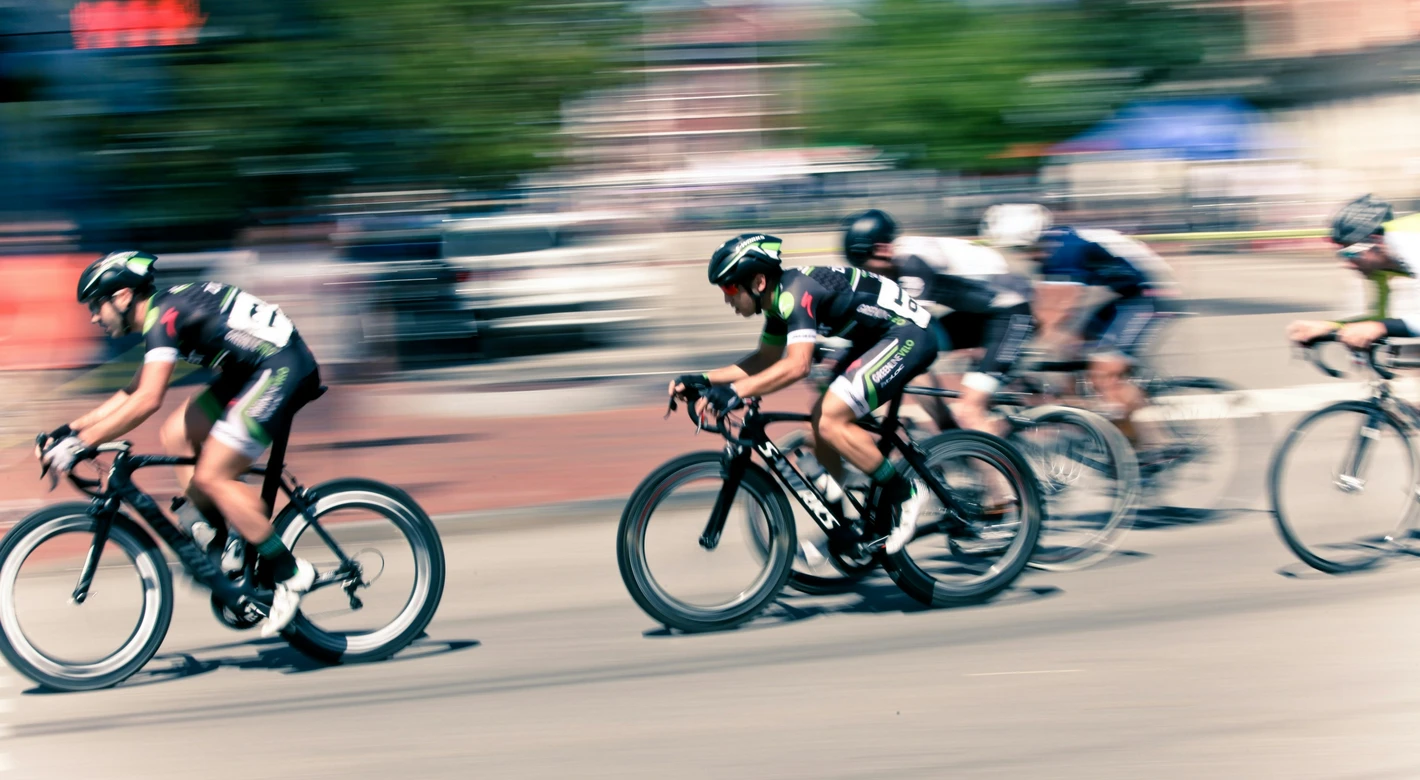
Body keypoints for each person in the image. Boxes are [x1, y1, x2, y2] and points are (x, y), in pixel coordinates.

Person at [36, 250, 322, 636]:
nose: (93, 317)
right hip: (251, 369)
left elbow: (148, 399)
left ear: (121, 297)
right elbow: (133, 391)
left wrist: (82, 444)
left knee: (212, 476)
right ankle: (226, 539)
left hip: (282, 367)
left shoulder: (164, 315)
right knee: (178, 433)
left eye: (96, 305)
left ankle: (290, 572)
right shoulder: (163, 313)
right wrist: (71, 431)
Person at [670, 233, 939, 555]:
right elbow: (765, 360)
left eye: (729, 287)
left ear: (757, 281)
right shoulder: (776, 303)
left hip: (907, 334)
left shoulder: (795, 294)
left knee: (830, 419)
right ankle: (842, 525)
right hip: (873, 338)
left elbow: (797, 366)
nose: (727, 297)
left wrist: (734, 392)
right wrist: (703, 379)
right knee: (818, 426)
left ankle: (905, 492)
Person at [982, 204, 1176, 442]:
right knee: (1072, 355)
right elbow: (1046, 307)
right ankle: (1092, 423)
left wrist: (1015, 347)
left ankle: (1148, 445)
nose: (1024, 255)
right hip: (1126, 296)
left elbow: (1057, 309)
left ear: (1036, 236)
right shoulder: (1051, 245)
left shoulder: (1065, 249)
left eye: (1023, 248)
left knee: (1104, 372)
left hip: (1151, 296)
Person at [842, 209, 1034, 435]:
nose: (867, 273)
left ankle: (1003, 463)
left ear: (883, 249)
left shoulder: (913, 263)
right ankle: (951, 435)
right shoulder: (894, 260)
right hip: (980, 315)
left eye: (867, 266)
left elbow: (908, 327)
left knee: (968, 412)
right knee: (912, 367)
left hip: (1010, 314)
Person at [1287, 194, 1420, 349]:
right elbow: (1381, 319)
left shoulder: (1413, 245)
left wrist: (1379, 327)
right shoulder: (1379, 263)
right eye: (1341, 253)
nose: (1347, 264)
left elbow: (1380, 326)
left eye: (1351, 253)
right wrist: (1330, 327)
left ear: (1376, 241)